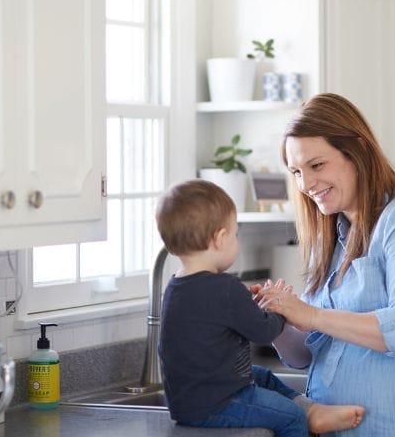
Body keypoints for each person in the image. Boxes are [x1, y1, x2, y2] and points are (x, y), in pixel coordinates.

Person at [254, 93, 395, 436]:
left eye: (317, 165)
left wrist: (311, 314)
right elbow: (308, 353)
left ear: (357, 151)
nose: (306, 184)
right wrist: (274, 320)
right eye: (297, 172)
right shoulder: (329, 238)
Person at [155, 179, 365, 436]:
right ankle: (306, 414)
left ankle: (313, 410)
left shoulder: (175, 287)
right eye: (234, 234)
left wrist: (252, 306)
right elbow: (263, 332)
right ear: (220, 238)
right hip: (220, 404)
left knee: (261, 376)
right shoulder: (224, 287)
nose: (235, 240)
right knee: (292, 418)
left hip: (187, 404)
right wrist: (278, 309)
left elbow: (224, 321)